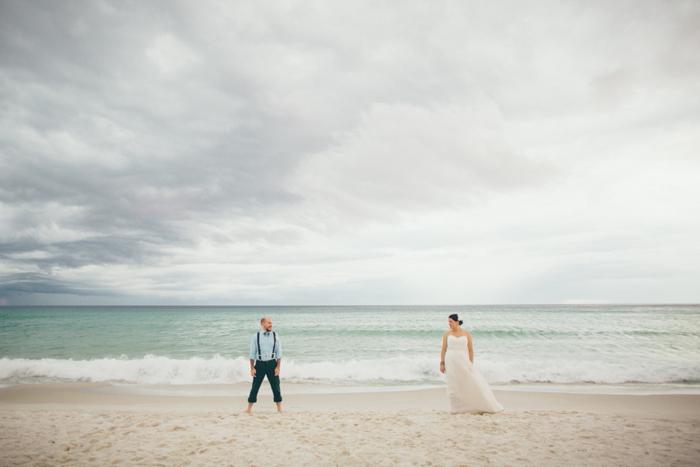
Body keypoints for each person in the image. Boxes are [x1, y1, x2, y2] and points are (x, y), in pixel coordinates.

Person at [440, 313, 503, 414]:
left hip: (463, 360)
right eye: (448, 322)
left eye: (451, 322)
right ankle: (455, 409)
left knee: (469, 382)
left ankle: (479, 405)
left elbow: (470, 350)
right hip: (450, 360)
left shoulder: (466, 334)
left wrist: (470, 364)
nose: (449, 324)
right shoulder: (447, 334)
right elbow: (443, 349)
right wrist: (442, 363)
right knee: (453, 384)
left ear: (457, 322)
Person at [244, 316, 282, 413]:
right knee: (255, 387)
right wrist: (252, 368)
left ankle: (279, 409)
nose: (271, 325)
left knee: (276, 387)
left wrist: (278, 367)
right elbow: (252, 354)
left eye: (271, 323)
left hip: (272, 364)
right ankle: (248, 409)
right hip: (260, 364)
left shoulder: (275, 335)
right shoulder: (256, 336)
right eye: (269, 323)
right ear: (263, 324)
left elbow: (279, 353)